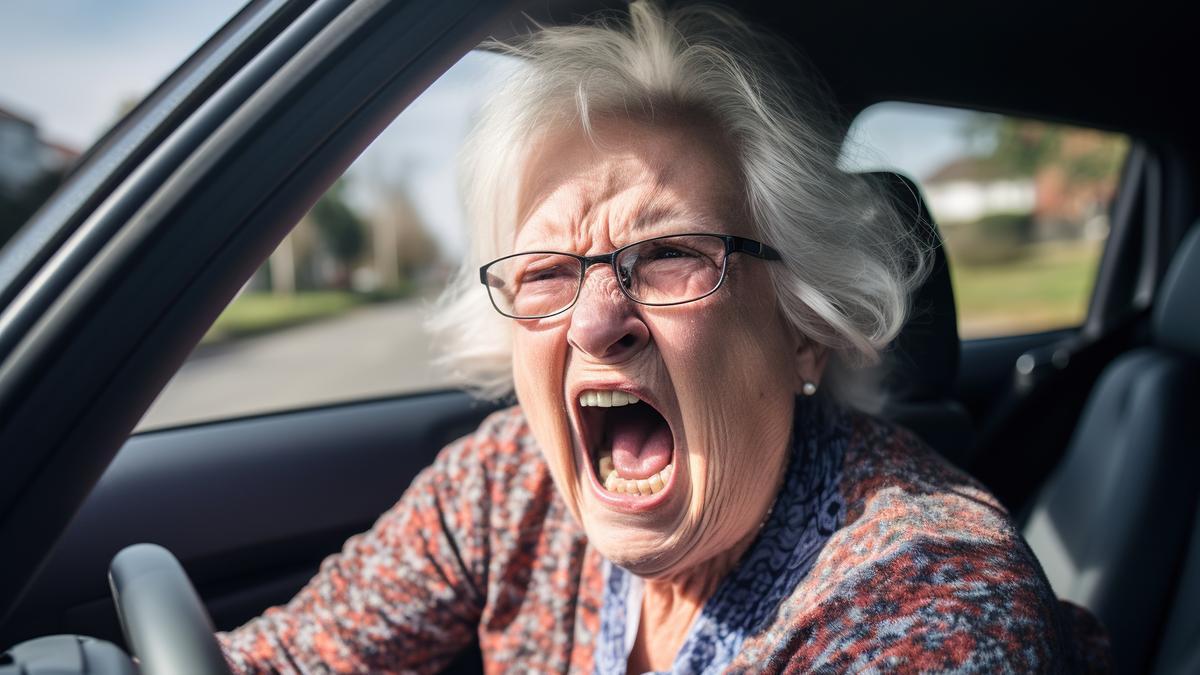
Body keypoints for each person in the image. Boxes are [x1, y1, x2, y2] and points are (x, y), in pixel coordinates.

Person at [218, 2, 1108, 672]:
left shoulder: (928, 596)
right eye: (548, 271)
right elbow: (280, 657)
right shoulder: (506, 484)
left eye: (673, 254)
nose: (597, 322)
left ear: (804, 325)